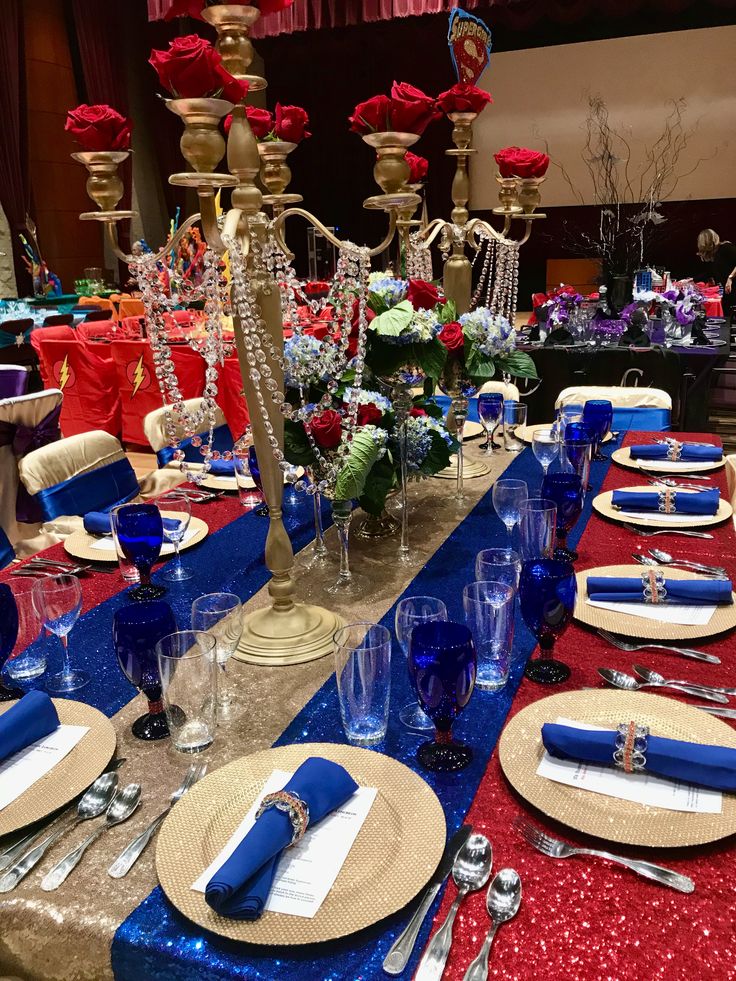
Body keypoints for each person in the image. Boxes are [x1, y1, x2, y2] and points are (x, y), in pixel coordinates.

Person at [697, 229, 736, 317]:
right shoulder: (715, 254)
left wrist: (730, 278)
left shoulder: (726, 248)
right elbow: (710, 272)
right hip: (729, 292)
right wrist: (693, 279)